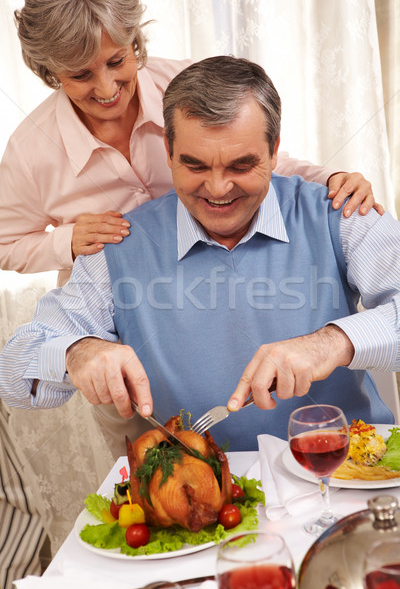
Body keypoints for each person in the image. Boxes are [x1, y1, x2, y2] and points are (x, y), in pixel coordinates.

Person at [0, 55, 398, 454]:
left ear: (274, 151)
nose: (218, 188)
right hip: (212, 501)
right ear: (169, 151)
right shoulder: (118, 247)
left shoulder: (340, 215)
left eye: (241, 165)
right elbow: (13, 372)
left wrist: (331, 343)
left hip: (349, 477)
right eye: (195, 165)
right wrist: (77, 352)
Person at [0, 0, 381, 288]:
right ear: (50, 71)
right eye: (81, 75)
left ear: (134, 41)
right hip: (117, 309)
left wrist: (331, 180)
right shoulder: (31, 150)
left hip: (219, 284)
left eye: (116, 62)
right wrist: (66, 241)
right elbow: (6, 245)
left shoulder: (185, 88)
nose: (106, 87)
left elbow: (253, 162)